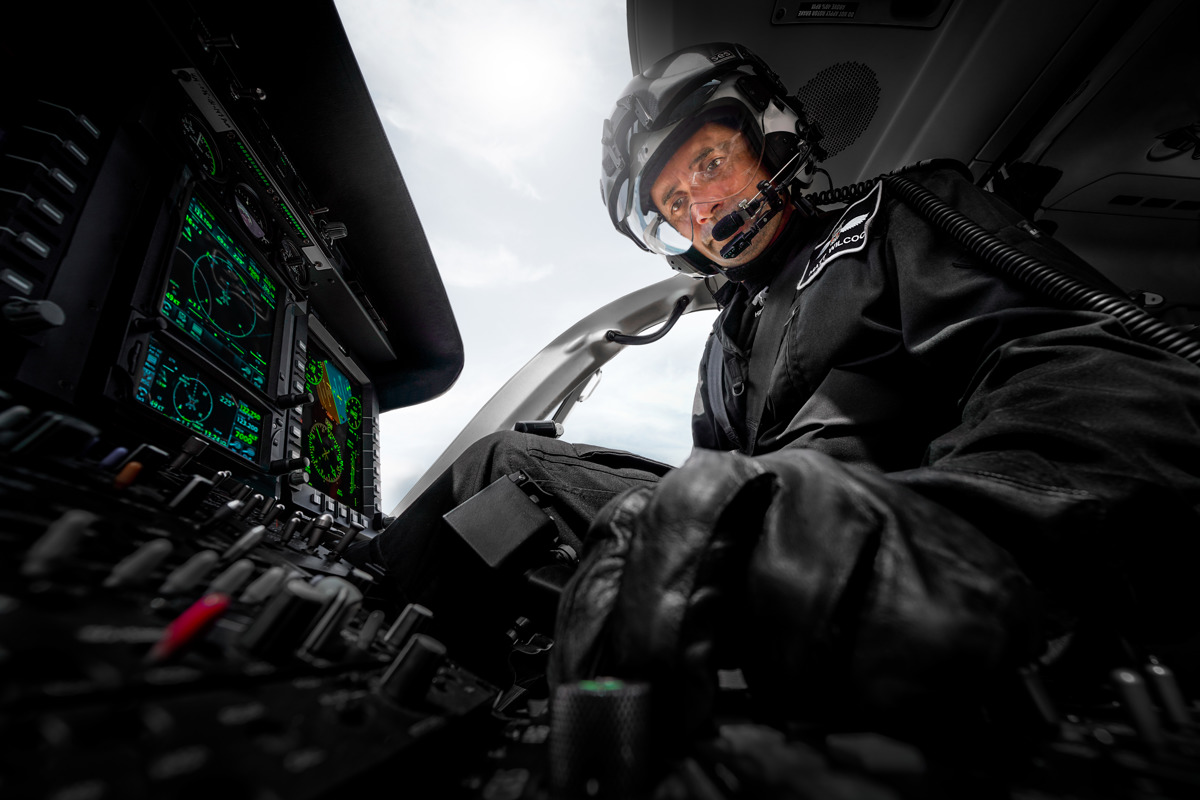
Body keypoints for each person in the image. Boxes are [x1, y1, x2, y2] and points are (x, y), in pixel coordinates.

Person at [351, 42, 1200, 745]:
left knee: (503, 466)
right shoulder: (723, 350)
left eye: (711, 163)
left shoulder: (901, 215)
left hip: (914, 569)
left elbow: (1097, 370)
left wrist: (958, 540)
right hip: (774, 583)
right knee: (507, 474)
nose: (702, 205)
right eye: (674, 204)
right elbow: (705, 509)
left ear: (773, 133)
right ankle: (384, 671)